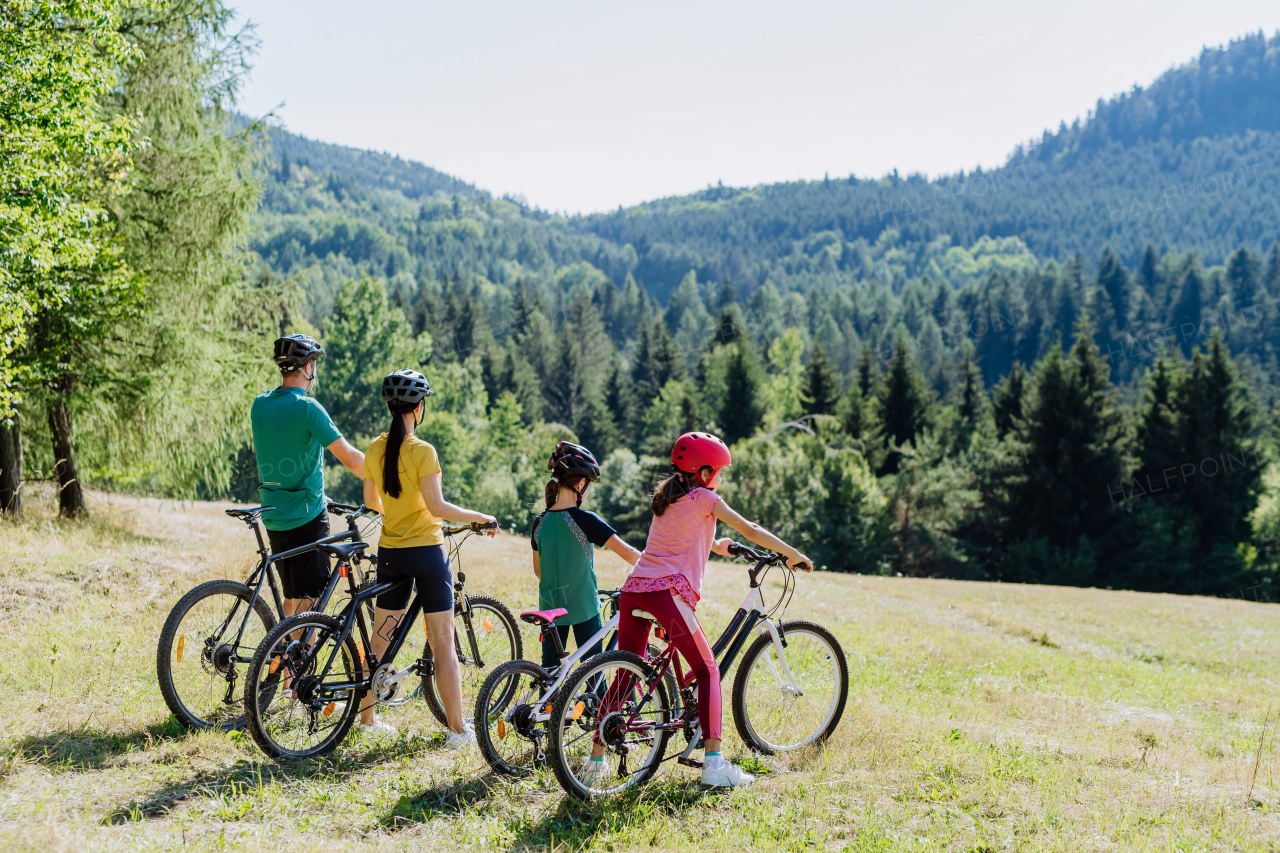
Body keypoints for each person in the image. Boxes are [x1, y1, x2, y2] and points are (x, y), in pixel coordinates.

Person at [588, 431, 811, 789]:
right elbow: (750, 528)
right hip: (667, 594)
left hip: (635, 591)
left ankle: (594, 762)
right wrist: (792, 553)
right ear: (705, 474)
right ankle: (714, 763)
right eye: (719, 471)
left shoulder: (668, 498)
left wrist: (720, 546)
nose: (721, 479)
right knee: (707, 671)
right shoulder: (707, 498)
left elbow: (680, 540)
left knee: (625, 674)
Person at [359, 368, 497, 745]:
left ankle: (367, 719)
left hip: (390, 551)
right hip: (426, 553)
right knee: (442, 643)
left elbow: (373, 502)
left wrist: (398, 511)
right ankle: (457, 731)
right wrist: (478, 516)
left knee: (381, 638)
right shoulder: (423, 451)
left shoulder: (374, 447)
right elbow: (436, 507)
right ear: (418, 408)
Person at [251, 334, 366, 622]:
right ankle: (298, 663)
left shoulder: (259, 405)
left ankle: (286, 665)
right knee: (311, 603)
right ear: (307, 368)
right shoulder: (307, 407)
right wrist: (391, 478)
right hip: (306, 518)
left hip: (274, 514)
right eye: (314, 363)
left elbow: (282, 453)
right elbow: (351, 459)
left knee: (292, 597)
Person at [531, 442, 641, 670]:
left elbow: (538, 570)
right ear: (581, 483)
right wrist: (660, 567)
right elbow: (629, 553)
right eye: (589, 485)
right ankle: (594, 706)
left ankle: (546, 705)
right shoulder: (586, 520)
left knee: (549, 673)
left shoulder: (539, 523)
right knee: (593, 672)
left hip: (550, 607)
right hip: (584, 607)